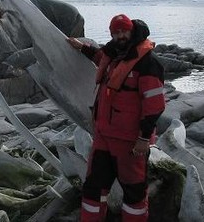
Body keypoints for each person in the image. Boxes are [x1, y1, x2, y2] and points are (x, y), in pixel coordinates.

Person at [67, 14, 166, 222]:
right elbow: (99, 57)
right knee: (93, 188)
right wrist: (81, 47)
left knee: (134, 192)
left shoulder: (147, 63)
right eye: (116, 32)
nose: (120, 35)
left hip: (129, 141)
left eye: (124, 31)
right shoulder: (113, 54)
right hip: (103, 135)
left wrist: (144, 138)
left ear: (131, 31)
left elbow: (154, 106)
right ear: (112, 33)